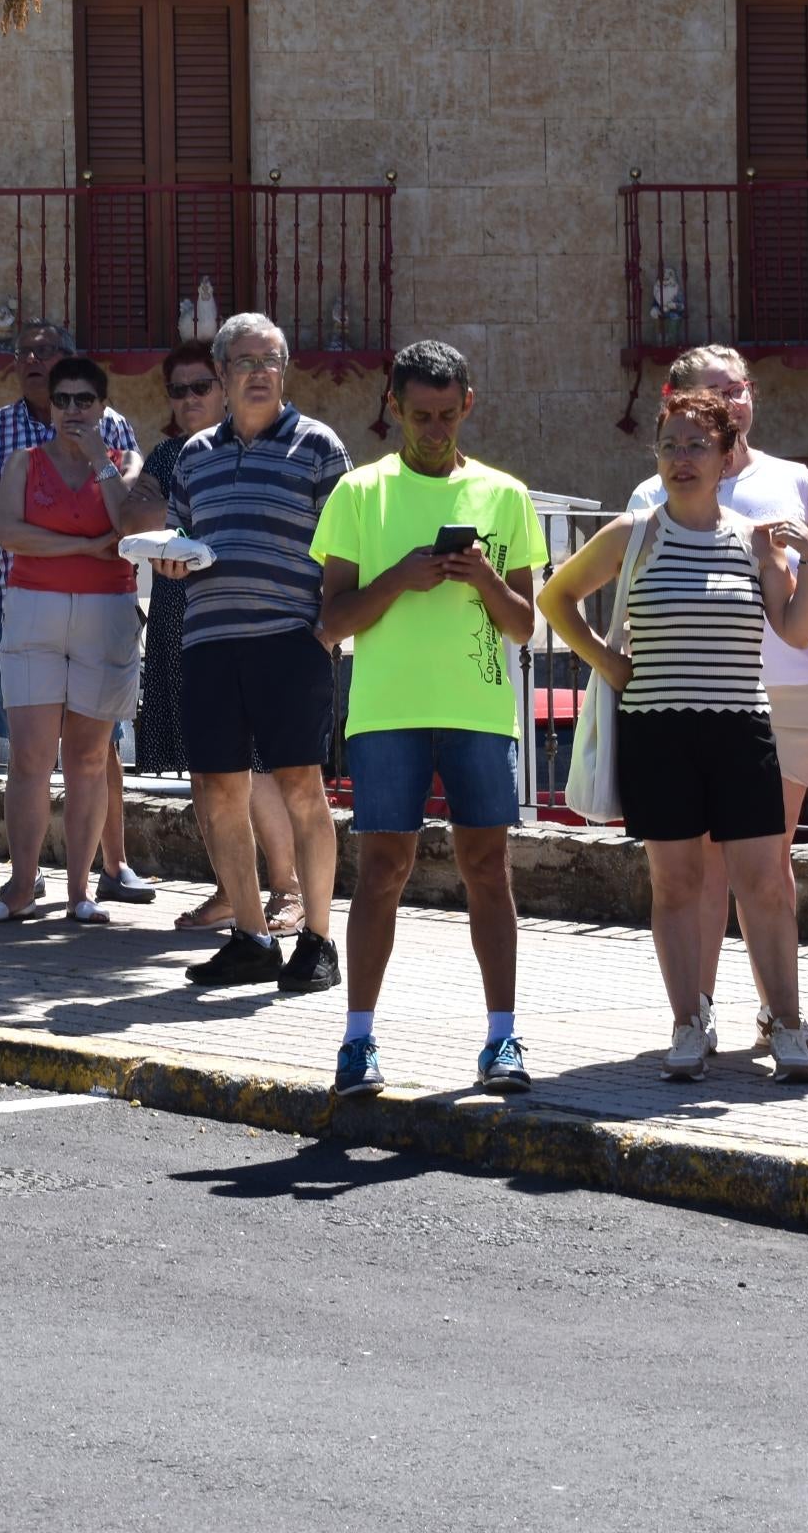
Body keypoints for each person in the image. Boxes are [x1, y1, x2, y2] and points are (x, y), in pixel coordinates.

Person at [540, 389, 808, 1081]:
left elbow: (795, 629)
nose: (681, 458)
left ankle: (784, 1023)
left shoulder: (752, 539)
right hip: (657, 731)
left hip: (741, 730)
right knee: (675, 884)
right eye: (669, 445)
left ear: (728, 455)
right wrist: (606, 661)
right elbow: (556, 597)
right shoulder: (633, 532)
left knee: (764, 884)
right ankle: (688, 1022)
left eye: (697, 445)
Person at [314, 341, 547, 1098]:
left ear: (469, 406)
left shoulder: (506, 495)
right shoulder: (358, 493)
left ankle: (503, 1037)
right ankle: (356, 1042)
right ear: (394, 406)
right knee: (383, 872)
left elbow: (524, 627)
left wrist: (481, 576)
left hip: (478, 713)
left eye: (448, 416)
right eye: (420, 416)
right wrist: (401, 578)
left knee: (489, 871)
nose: (435, 430)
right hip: (387, 714)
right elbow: (331, 621)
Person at [624, 344, 808, 1049]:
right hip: (681, 705)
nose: (734, 400)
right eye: (714, 391)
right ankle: (699, 1012)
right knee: (699, 870)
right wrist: (609, 665)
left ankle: (780, 1016)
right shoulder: (648, 502)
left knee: (764, 865)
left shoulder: (790, 480)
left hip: (781, 697)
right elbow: (606, 602)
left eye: (739, 388)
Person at [155, 312, 351, 991]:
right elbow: (181, 539)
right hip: (210, 641)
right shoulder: (194, 455)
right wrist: (170, 564)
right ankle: (250, 936)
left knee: (301, 785)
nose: (259, 373)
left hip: (288, 641)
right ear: (222, 374)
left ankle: (319, 941)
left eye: (270, 360)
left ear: (285, 369)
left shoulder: (320, 446)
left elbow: (346, 550)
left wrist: (322, 634)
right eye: (244, 362)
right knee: (215, 788)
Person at [0, 320, 157, 903]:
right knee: (29, 755)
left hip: (104, 614)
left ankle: (82, 890)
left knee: (92, 756)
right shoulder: (19, 454)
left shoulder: (121, 453)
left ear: (102, 405)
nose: (71, 408)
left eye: (84, 400)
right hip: (26, 607)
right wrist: (80, 546)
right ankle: (23, 884)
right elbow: (4, 531)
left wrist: (99, 457)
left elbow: (127, 524)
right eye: (63, 399)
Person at [136, 340, 305, 935]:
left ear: (225, 384)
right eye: (176, 390)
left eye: (198, 387)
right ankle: (232, 891)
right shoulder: (167, 457)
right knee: (207, 770)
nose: (188, 399)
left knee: (258, 767)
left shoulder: (280, 445)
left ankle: (287, 889)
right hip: (183, 618)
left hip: (255, 621)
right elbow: (138, 525)